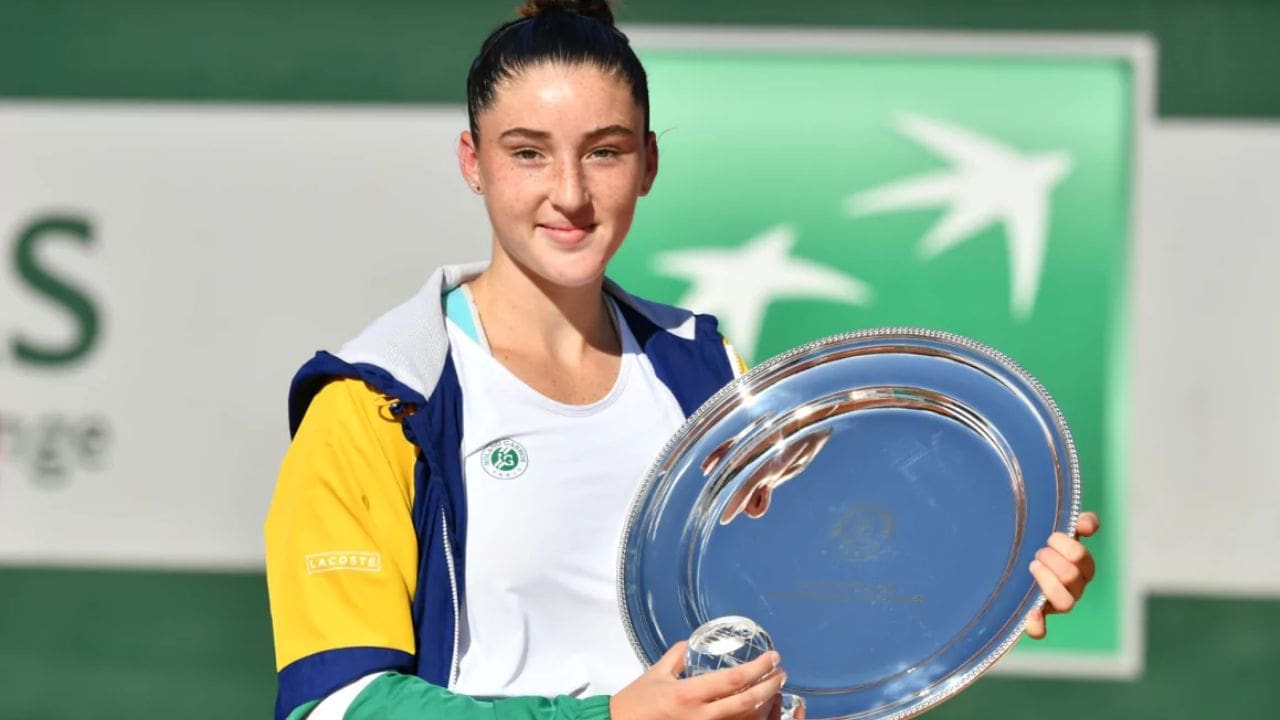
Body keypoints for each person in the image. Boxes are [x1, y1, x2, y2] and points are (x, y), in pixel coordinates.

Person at [264, 2, 1101, 719]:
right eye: (527, 152)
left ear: (649, 163)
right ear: (472, 162)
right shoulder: (379, 402)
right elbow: (336, 705)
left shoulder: (706, 373)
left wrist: (993, 574)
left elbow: (810, 615)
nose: (569, 193)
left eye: (604, 151)